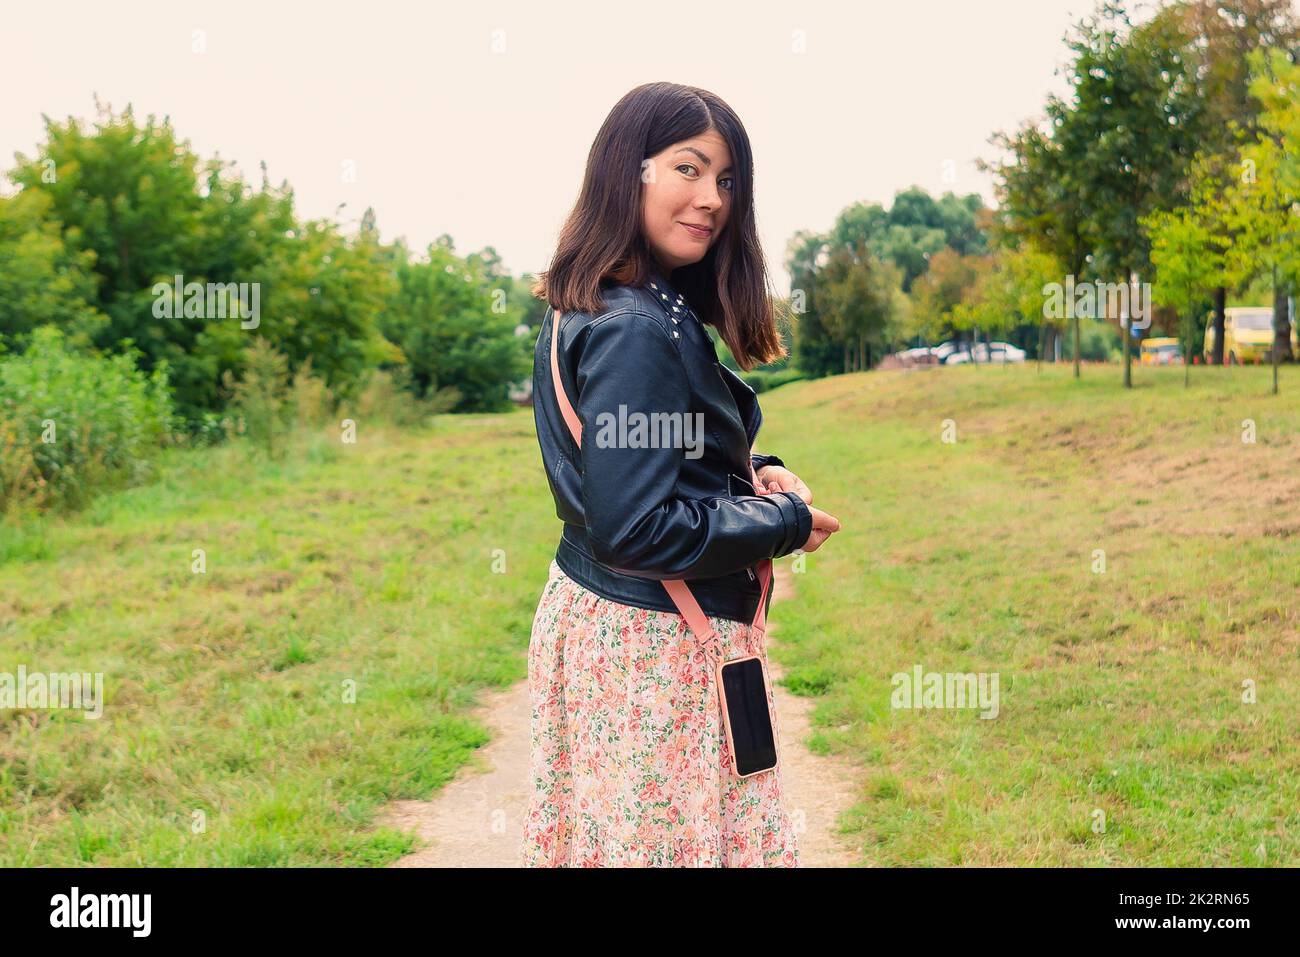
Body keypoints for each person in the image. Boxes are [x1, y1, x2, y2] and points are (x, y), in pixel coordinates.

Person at [522, 81, 841, 867]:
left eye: (727, 180)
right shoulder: (634, 325)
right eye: (689, 169)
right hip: (654, 650)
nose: (713, 199)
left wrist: (751, 473)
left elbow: (645, 458)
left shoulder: (616, 299)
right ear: (627, 170)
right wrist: (787, 523)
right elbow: (638, 525)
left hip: (619, 631)